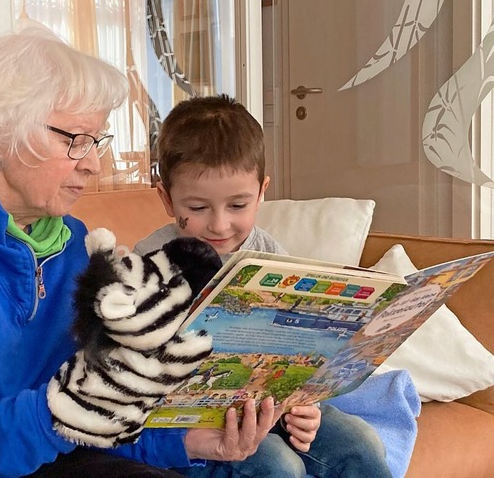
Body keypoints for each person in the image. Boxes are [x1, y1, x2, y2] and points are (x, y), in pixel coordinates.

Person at [0, 28, 281, 478]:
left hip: (42, 454)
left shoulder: (72, 241)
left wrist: (185, 441)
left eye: (97, 142)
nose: (93, 163)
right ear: (0, 131)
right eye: (75, 139)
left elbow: (98, 398)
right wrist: (61, 413)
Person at [134, 94, 393, 478]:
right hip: (195, 422)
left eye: (238, 206)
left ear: (262, 192)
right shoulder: (149, 262)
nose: (220, 225)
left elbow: (303, 350)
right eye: (198, 208)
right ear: (167, 198)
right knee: (277, 466)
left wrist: (307, 403)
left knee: (361, 443)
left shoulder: (269, 252)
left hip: (271, 402)